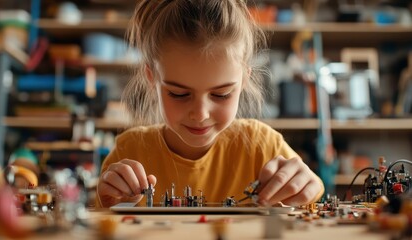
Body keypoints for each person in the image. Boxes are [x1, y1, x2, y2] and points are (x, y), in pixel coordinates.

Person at [96, 0, 324, 208]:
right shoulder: (129, 151)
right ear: (151, 77)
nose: (200, 114)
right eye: (178, 93)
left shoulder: (262, 147)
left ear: (244, 79)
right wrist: (116, 206)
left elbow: (311, 201)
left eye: (221, 94)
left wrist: (307, 186)